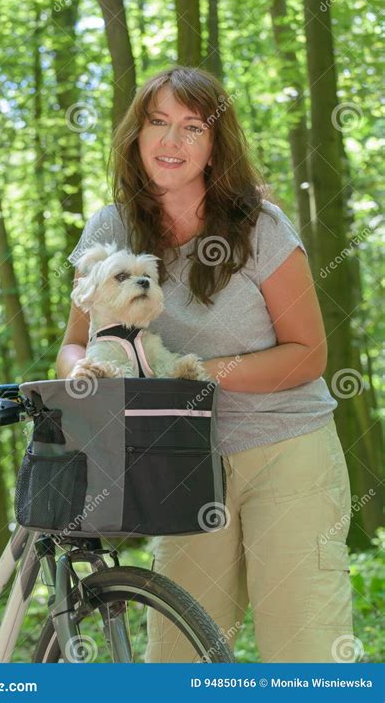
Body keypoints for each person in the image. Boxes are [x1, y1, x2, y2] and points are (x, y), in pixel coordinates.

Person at [56, 66, 353, 663]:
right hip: (180, 462)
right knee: (178, 656)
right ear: (136, 137)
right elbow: (74, 343)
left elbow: (309, 352)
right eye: (158, 123)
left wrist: (196, 373)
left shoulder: (261, 226)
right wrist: (84, 378)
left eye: (193, 128)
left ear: (216, 145)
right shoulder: (109, 227)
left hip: (284, 446)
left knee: (302, 644)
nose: (172, 142)